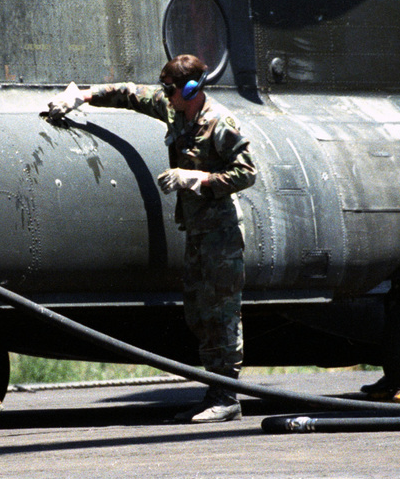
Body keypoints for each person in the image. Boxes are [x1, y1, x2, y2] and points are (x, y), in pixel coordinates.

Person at [44, 55, 257, 422]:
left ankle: (227, 396)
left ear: (190, 89)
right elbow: (131, 94)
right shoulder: (174, 109)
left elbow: (247, 172)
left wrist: (199, 179)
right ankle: (214, 391)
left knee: (221, 313)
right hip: (196, 231)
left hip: (221, 235)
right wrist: (82, 96)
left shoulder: (220, 123)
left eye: (170, 89)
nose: (165, 94)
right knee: (199, 312)